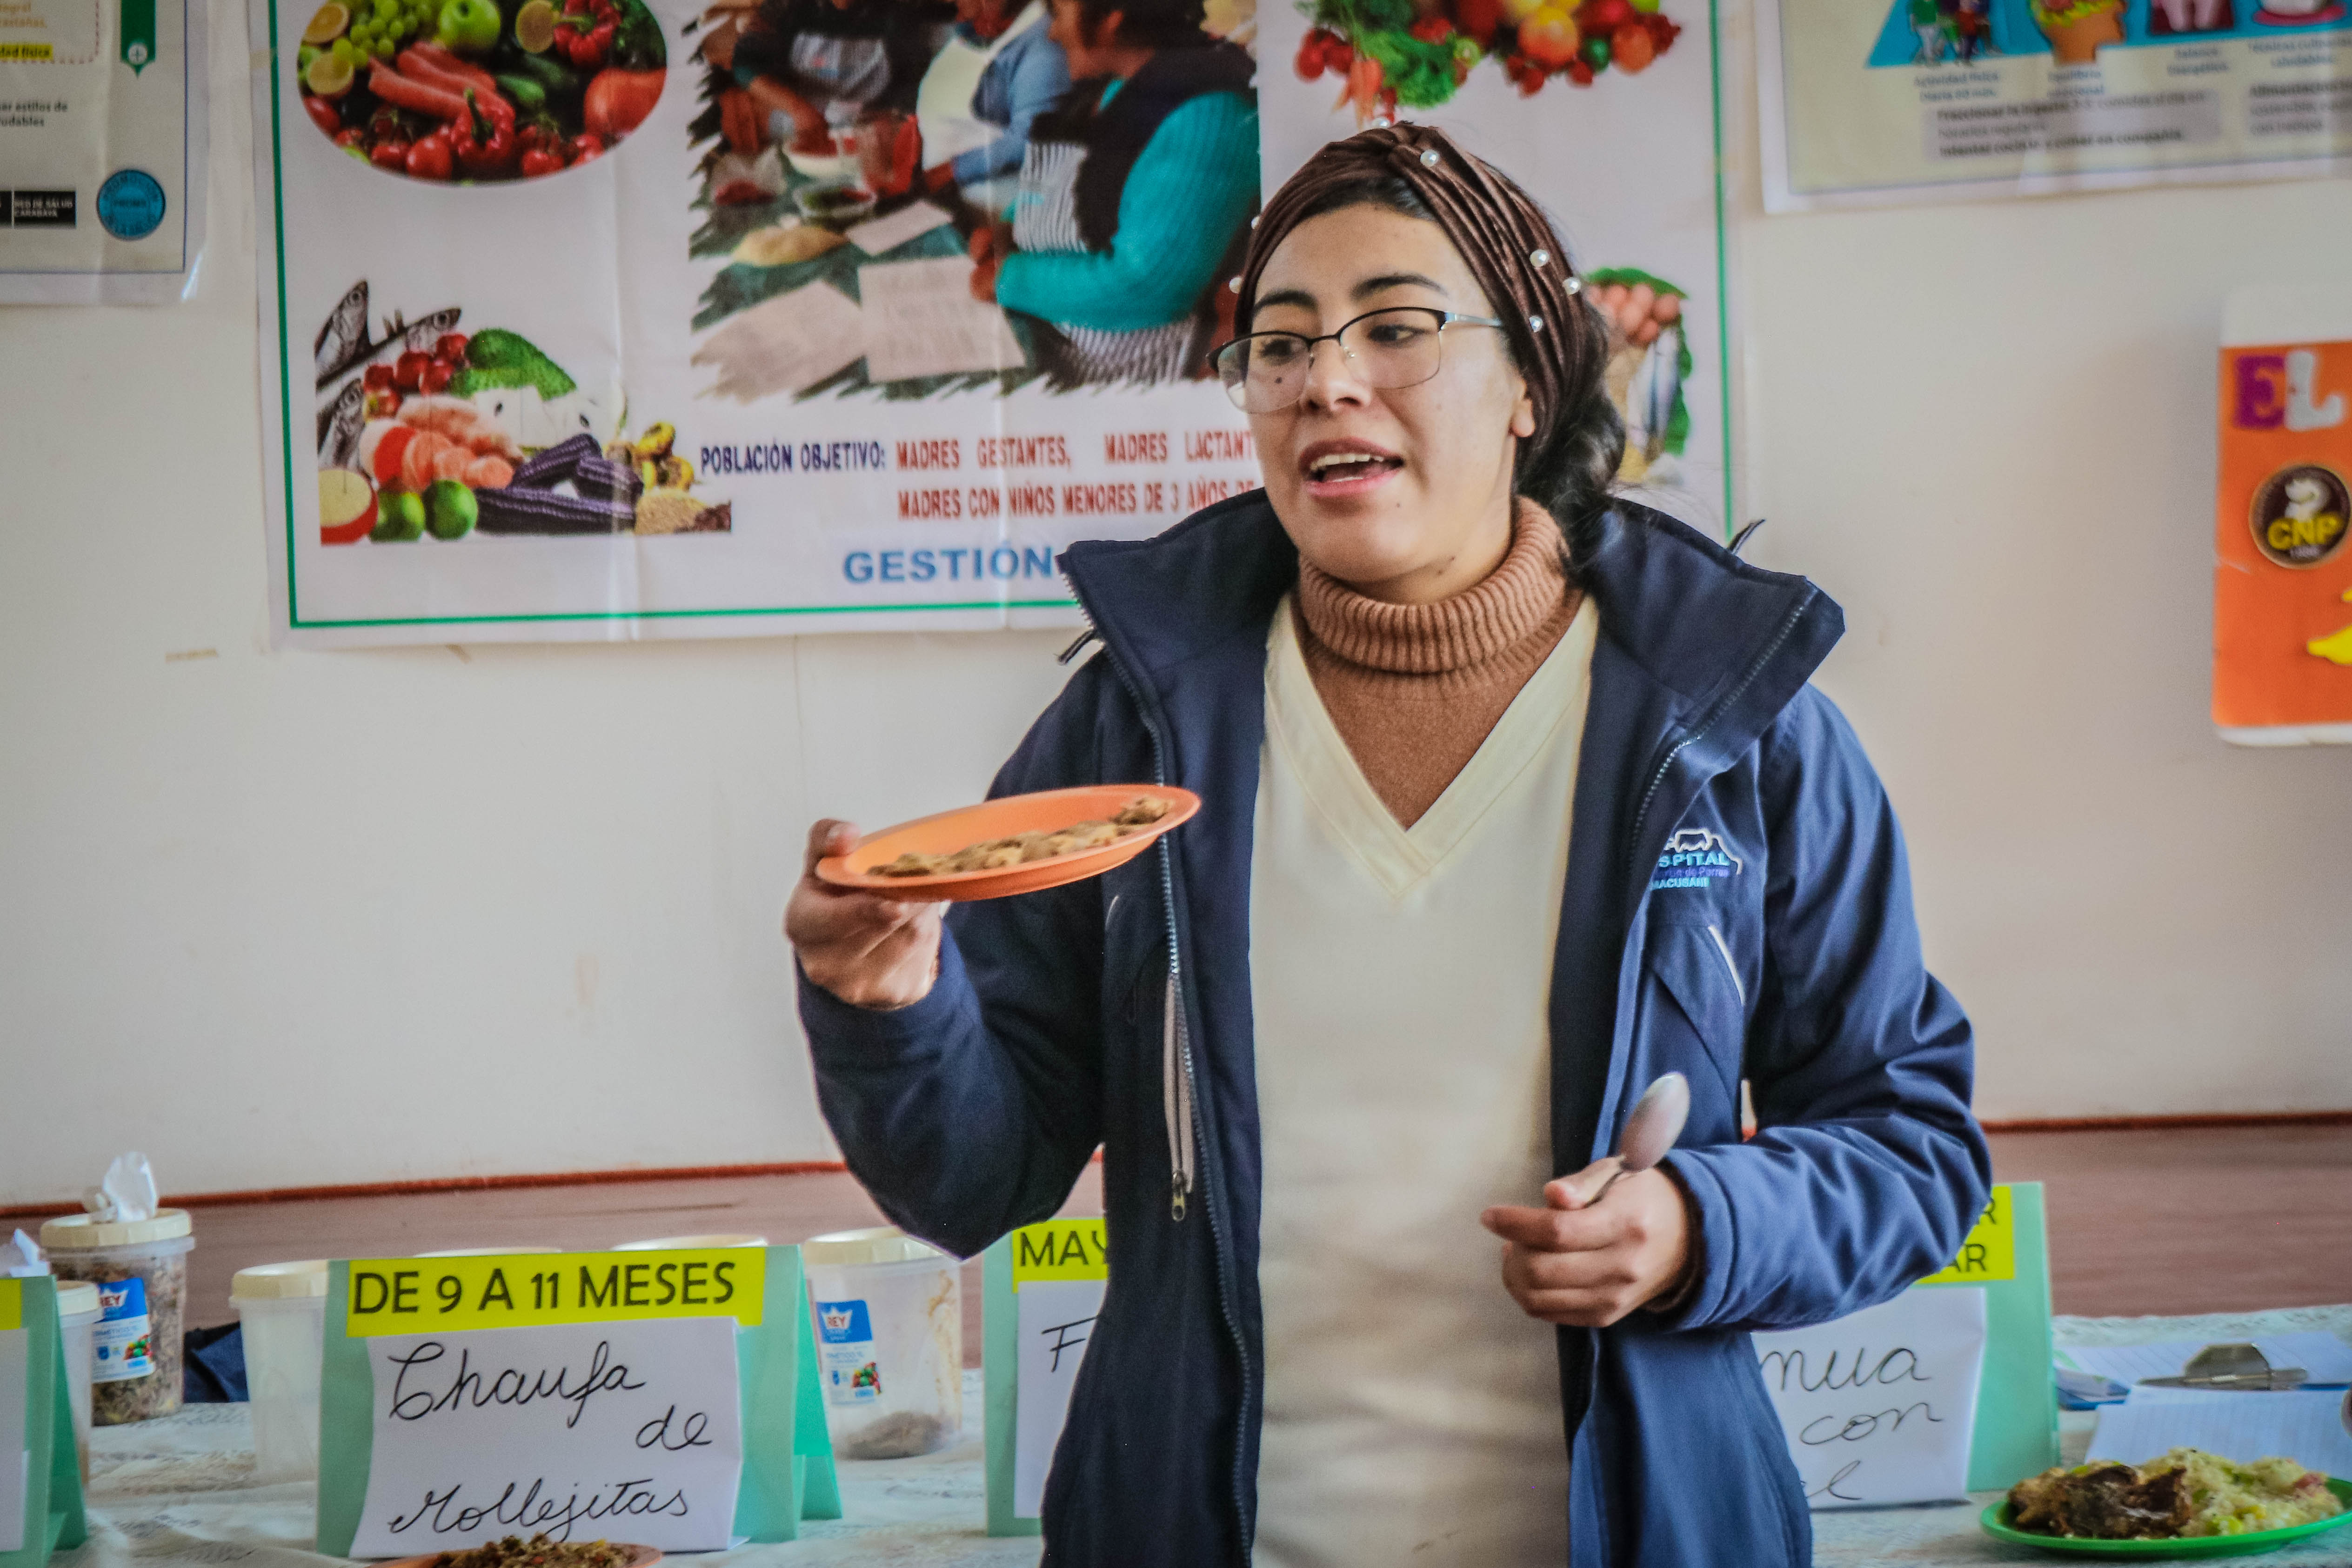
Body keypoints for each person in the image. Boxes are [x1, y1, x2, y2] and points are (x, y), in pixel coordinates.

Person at [785, 125, 1988, 1567]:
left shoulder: (1733, 724)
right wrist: (888, 1005)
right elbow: (972, 1180)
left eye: (1396, 329)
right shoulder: (1132, 725)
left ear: (1527, 382)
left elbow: (1906, 1142)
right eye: (1277, 346)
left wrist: (1694, 1224)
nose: (1324, 380)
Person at [969, 0, 1256, 383]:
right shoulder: (1122, 85)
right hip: (1054, 325)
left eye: (1057, 14)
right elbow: (1070, 178)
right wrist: (1010, 225)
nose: (1052, 33)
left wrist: (1007, 280)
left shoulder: (1210, 119)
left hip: (1121, 371)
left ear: (1111, 20)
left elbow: (1143, 289)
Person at [704, 0, 945, 153]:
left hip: (871, 132)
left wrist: (894, 117)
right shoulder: (784, 7)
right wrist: (799, 110)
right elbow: (746, 64)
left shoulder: (900, 11)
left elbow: (917, 81)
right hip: (801, 123)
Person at [914, 0, 1072, 208]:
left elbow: (1031, 140)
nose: (959, 16)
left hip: (1001, 210)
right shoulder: (976, 27)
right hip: (947, 198)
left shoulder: (1044, 44)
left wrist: (949, 172)